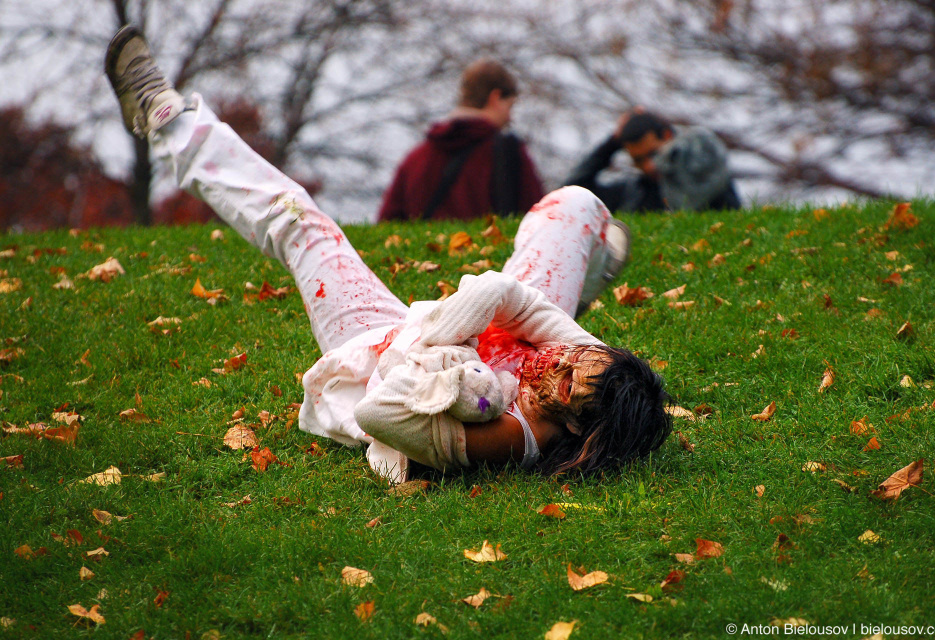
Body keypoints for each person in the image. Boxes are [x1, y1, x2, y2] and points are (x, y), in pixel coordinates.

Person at [104, 26, 672, 484]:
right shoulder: (593, 365)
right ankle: (586, 280)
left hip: (382, 352)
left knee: (301, 222)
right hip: (470, 329)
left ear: (574, 426)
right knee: (574, 204)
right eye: (578, 357)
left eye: (568, 380)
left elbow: (377, 413)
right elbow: (502, 292)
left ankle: (166, 117)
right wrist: (487, 323)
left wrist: (444, 338)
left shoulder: (506, 433)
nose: (559, 361)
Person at [377, 58, 545, 222]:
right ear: (495, 97)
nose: (510, 118)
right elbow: (537, 220)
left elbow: (387, 224)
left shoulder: (416, 158)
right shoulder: (509, 152)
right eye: (510, 106)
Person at [566, 110, 741, 213]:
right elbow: (572, 195)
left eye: (653, 154)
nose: (649, 166)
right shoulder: (634, 192)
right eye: (639, 160)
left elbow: (694, 198)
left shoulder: (701, 164)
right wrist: (611, 143)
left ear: (667, 136)